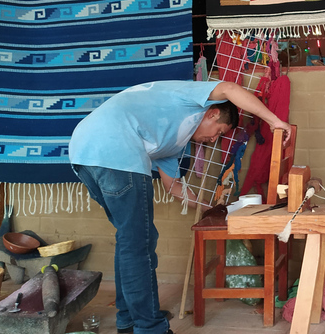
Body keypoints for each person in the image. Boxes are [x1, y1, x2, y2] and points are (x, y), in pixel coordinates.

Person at [68, 80, 290, 334]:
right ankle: (149, 327)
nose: (214, 138)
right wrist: (275, 121)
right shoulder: (190, 97)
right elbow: (229, 89)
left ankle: (129, 319)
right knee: (138, 244)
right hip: (115, 148)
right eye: (218, 131)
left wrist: (211, 207)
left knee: (132, 240)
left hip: (85, 153)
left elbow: (172, 187)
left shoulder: (173, 143)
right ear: (212, 112)